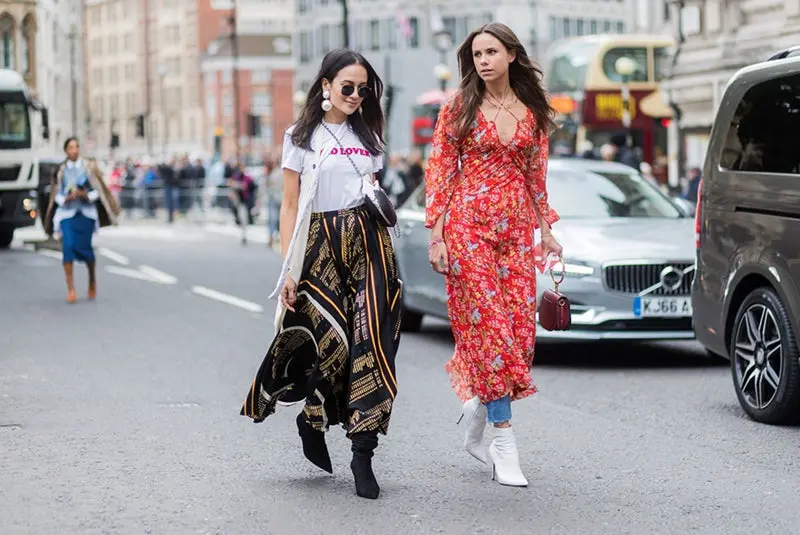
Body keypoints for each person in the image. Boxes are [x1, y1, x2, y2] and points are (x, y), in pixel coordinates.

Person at [240, 48, 402, 500]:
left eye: (362, 89)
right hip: (321, 245)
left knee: (375, 345)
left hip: (370, 244)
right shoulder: (300, 136)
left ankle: (363, 450)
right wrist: (288, 269)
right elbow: (291, 205)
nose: (354, 95)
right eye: (346, 87)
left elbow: (372, 189)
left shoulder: (369, 135)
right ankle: (312, 418)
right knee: (330, 346)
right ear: (326, 86)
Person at [425, 22, 563, 487]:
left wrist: (547, 232)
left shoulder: (534, 112)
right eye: (476, 54)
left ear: (511, 55)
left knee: (520, 335)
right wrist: (437, 235)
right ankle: (505, 444)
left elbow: (535, 177)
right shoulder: (459, 108)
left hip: (514, 230)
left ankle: (480, 408)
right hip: (467, 227)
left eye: (490, 52)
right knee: (492, 329)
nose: (482, 60)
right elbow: (441, 173)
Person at [44, 137, 120, 303]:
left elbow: (98, 191)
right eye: (71, 147)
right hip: (67, 214)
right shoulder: (60, 169)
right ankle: (71, 289)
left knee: (85, 249)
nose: (75, 150)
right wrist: (66, 198)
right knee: (68, 246)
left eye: (77, 147)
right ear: (66, 150)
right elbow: (55, 194)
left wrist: (84, 195)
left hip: (86, 214)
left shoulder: (89, 168)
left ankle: (92, 278)